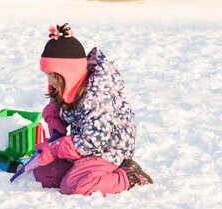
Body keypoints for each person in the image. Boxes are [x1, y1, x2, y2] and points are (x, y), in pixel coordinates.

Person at [33, 23, 153, 196]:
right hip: (82, 147)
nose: (50, 81)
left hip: (106, 150)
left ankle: (129, 175)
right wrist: (53, 115)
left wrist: (55, 148)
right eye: (48, 75)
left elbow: (92, 142)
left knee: (74, 186)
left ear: (69, 74)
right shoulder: (73, 87)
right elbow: (63, 105)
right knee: (45, 173)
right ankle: (80, 169)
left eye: (53, 76)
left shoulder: (98, 99)